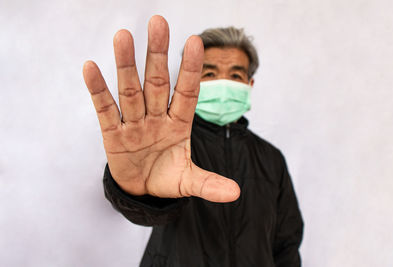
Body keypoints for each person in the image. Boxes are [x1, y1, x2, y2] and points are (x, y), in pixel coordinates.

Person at [83, 15, 303, 267]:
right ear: (193, 82)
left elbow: (287, 243)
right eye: (209, 73)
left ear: (249, 84)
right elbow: (144, 212)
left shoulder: (271, 159)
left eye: (235, 75)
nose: (223, 83)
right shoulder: (168, 147)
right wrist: (136, 192)